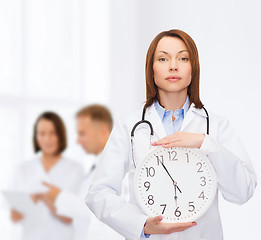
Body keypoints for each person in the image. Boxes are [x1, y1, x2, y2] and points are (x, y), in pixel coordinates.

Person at [85, 29, 257, 240]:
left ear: (193, 68)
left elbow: (243, 191)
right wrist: (142, 225)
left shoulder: (216, 127)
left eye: (183, 58)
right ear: (152, 69)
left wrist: (207, 144)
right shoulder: (130, 127)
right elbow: (98, 193)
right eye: (163, 58)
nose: (173, 65)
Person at [38, 105, 123, 240]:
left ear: (103, 132)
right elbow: (80, 214)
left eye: (82, 133)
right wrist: (54, 203)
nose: (78, 140)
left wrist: (59, 197)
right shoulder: (95, 167)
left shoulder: (119, 167)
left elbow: (101, 210)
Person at [10, 112, 84, 240]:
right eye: (42, 133)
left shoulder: (75, 169)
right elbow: (14, 217)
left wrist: (44, 197)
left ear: (60, 135)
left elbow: (70, 217)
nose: (47, 139)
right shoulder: (23, 169)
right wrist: (22, 208)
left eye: (52, 133)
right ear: (36, 136)